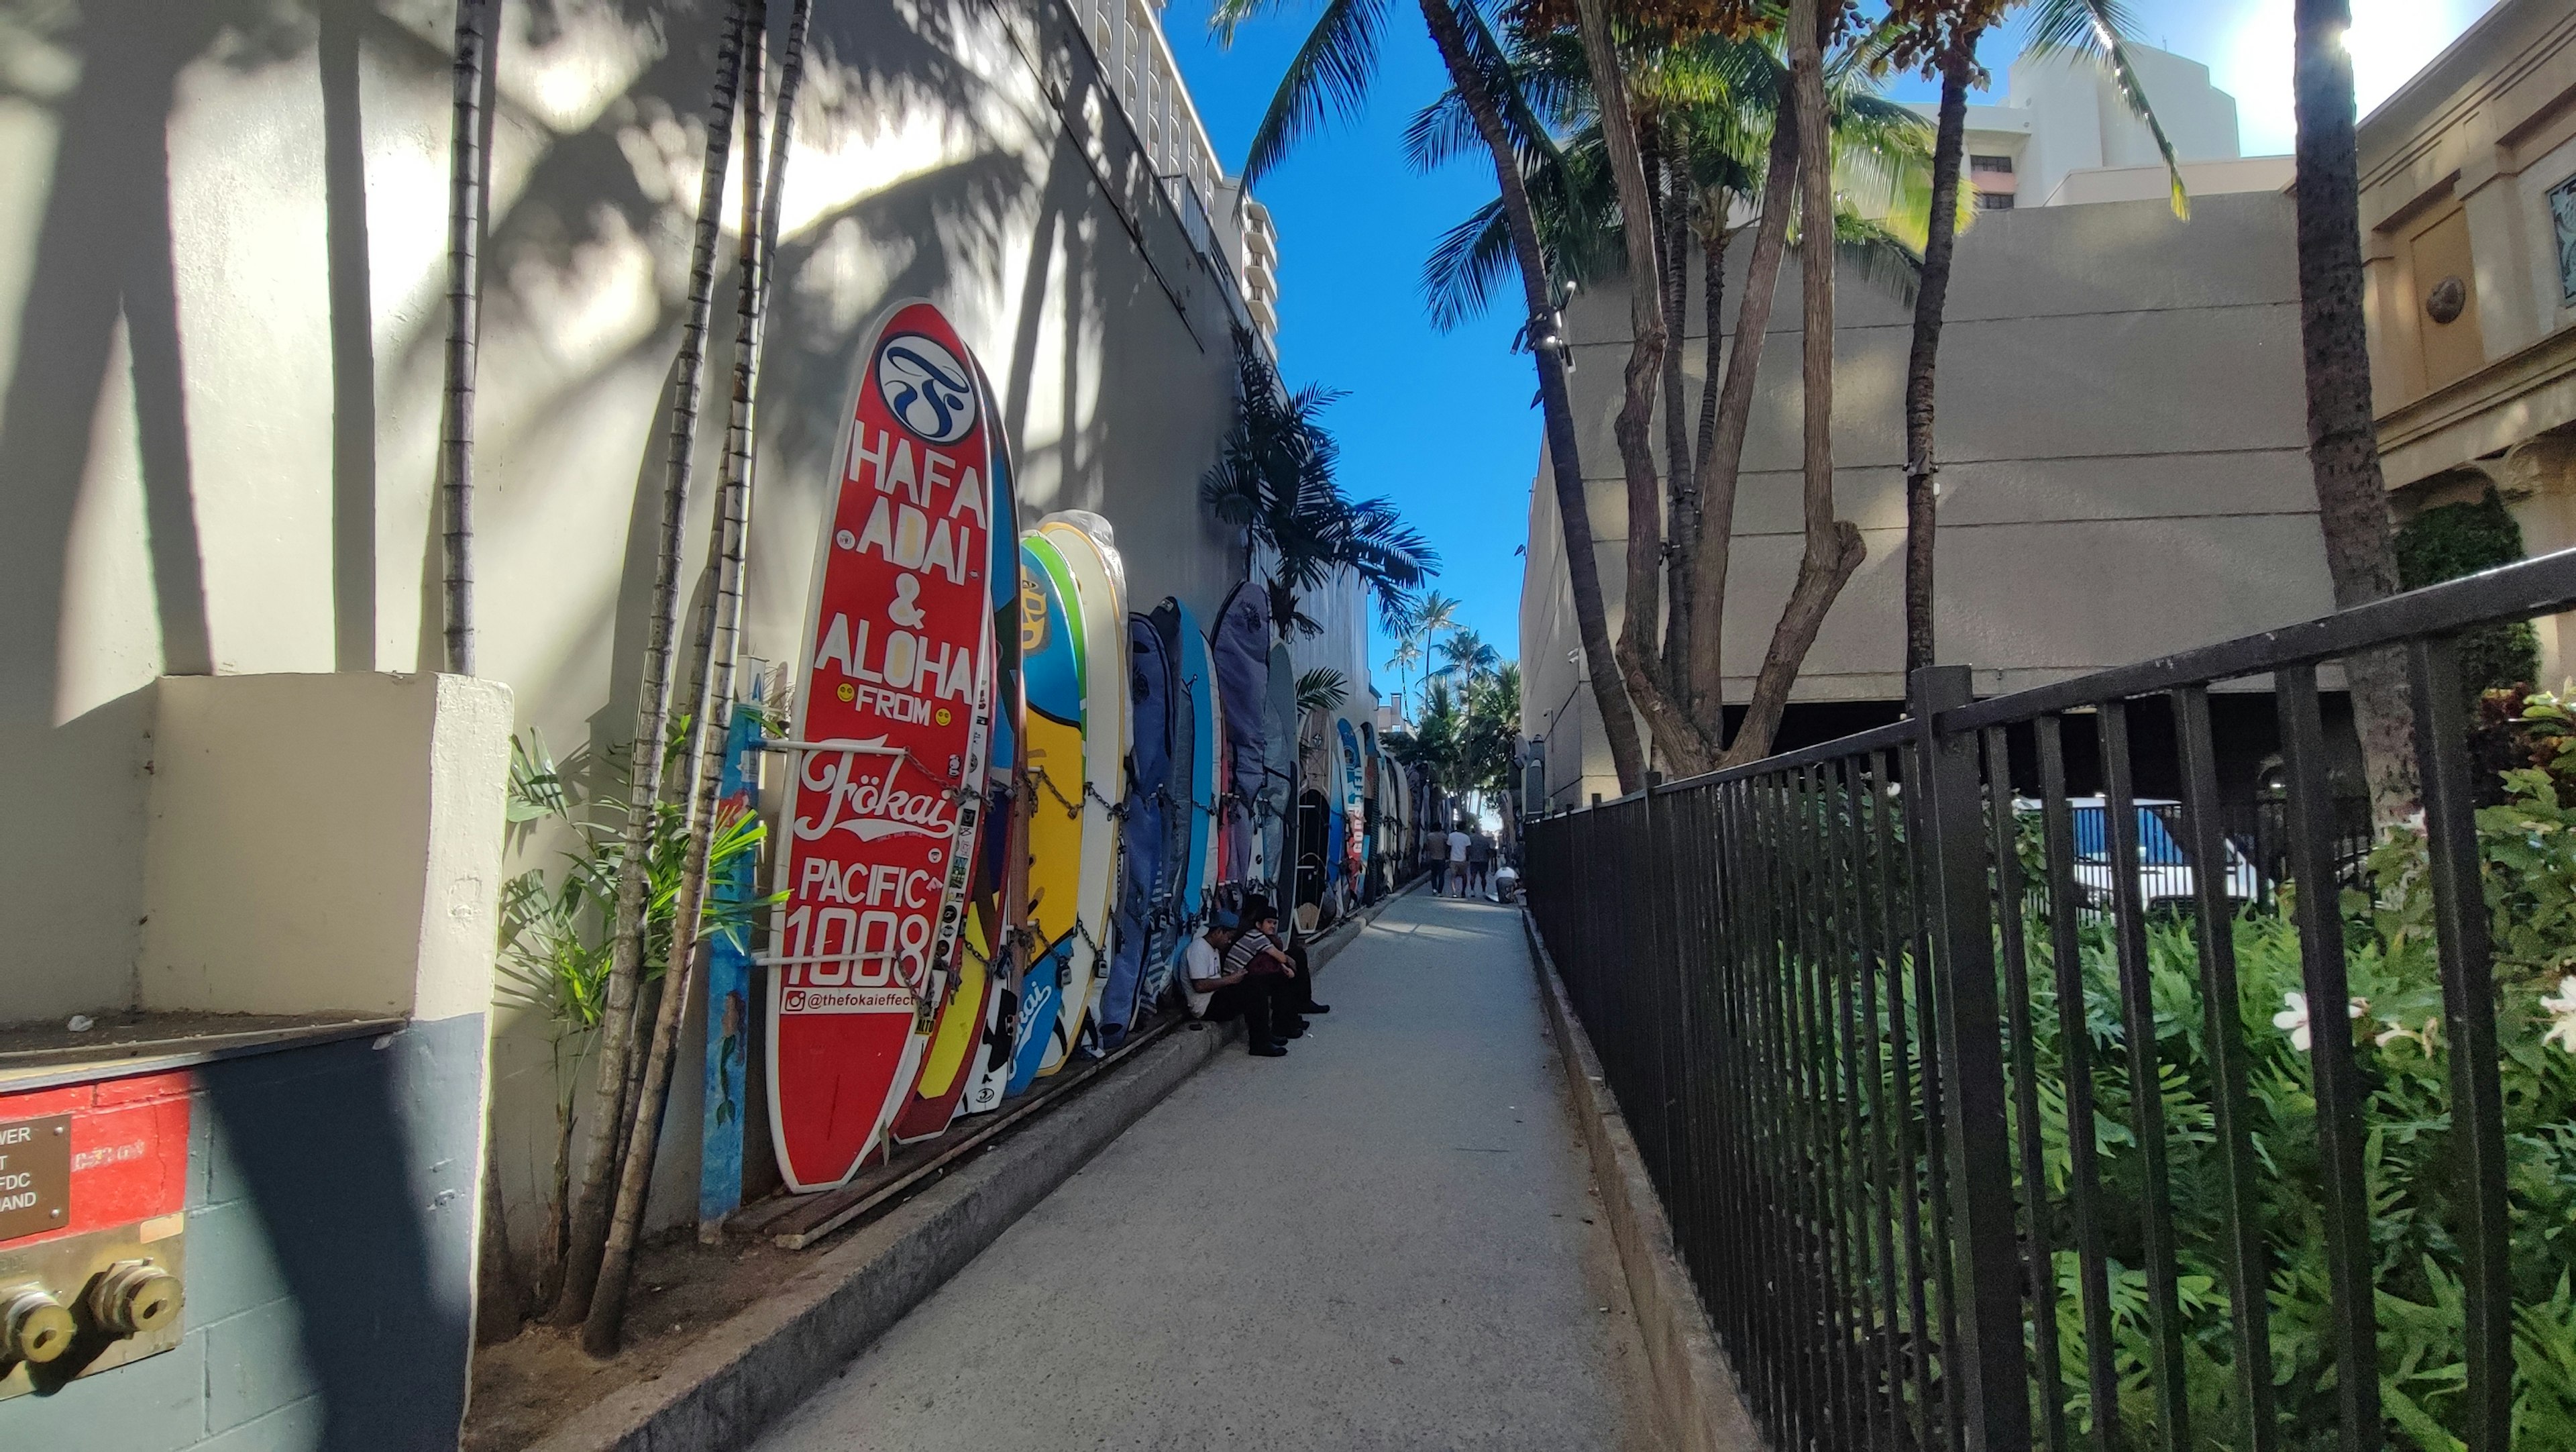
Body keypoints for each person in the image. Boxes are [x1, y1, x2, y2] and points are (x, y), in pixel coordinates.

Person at [1184, 909, 1297, 1057]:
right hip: (1206, 1006)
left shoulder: (1213, 949)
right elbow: (1200, 985)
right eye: (1228, 937)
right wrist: (1231, 980)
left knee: (1256, 983)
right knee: (1253, 991)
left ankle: (1265, 1035)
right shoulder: (1199, 949)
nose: (1229, 941)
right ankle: (1259, 1044)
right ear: (1218, 932)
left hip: (1216, 995)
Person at [1236, 894, 1328, 1018]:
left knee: (1298, 955)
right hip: (1252, 970)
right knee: (1286, 972)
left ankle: (1302, 1003)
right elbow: (1276, 954)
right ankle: (1289, 1016)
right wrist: (1288, 963)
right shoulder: (1250, 928)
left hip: (1262, 961)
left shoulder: (1257, 928)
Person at [1444, 823, 1470, 896]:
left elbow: (1448, 847)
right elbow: (1468, 849)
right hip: (1463, 859)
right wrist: (1467, 859)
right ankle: (1463, 892)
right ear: (1464, 828)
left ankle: (1454, 892)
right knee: (1464, 876)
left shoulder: (1451, 836)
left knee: (1453, 876)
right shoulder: (1466, 837)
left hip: (1453, 859)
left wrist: (1448, 856)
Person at [1466, 831, 1491, 896]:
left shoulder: (1471, 839)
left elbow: (1468, 849)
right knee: (1483, 877)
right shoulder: (1485, 840)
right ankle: (1483, 891)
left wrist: (1468, 857)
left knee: (1473, 876)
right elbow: (1488, 850)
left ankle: (1472, 891)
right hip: (1483, 860)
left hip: (1474, 860)